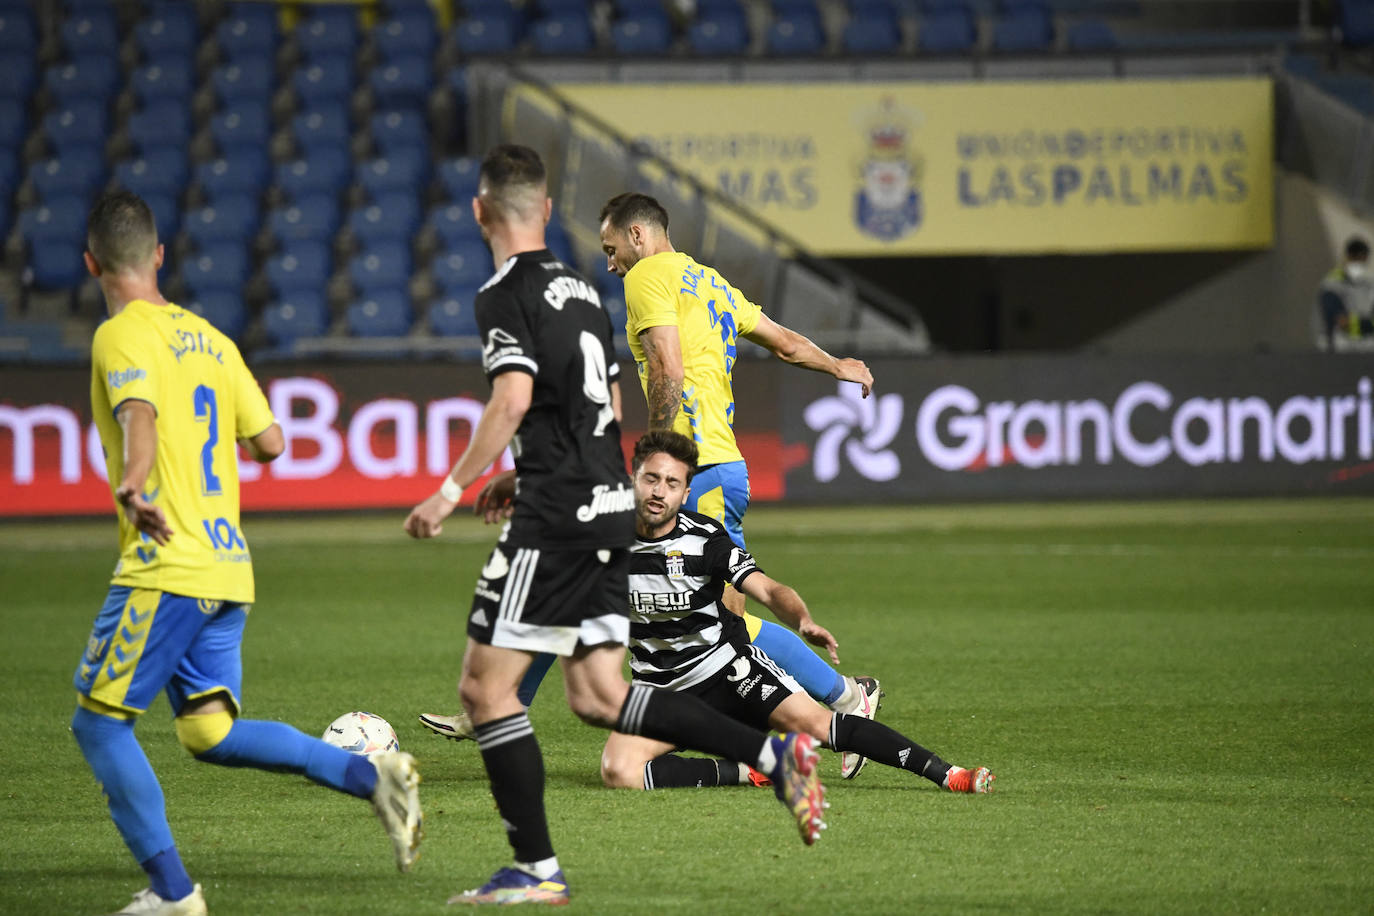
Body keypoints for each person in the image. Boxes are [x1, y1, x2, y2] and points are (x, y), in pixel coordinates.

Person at [402, 145, 827, 907]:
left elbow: (511, 401)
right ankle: (776, 751)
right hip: (604, 509)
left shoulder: (505, 292)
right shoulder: (584, 291)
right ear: (546, 207)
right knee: (599, 695)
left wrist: (448, 489)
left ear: (480, 211)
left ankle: (534, 869)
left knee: (484, 690)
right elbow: (590, 417)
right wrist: (527, 471)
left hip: (557, 522)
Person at [424, 191, 885, 780]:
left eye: (613, 249)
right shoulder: (710, 282)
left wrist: (662, 458)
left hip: (699, 471)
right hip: (713, 468)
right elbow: (786, 343)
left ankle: (845, 697)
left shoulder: (647, 278)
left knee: (722, 627)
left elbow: (665, 364)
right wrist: (838, 364)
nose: (611, 263)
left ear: (638, 237)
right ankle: (502, 703)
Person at [71, 191, 422, 916]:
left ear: (91, 262)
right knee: (210, 732)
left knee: (99, 724)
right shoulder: (211, 338)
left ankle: (173, 895)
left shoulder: (119, 334)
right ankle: (372, 778)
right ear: (159, 255)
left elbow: (139, 413)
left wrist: (136, 484)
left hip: (167, 564)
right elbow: (270, 442)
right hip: (229, 565)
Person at [601, 430, 995, 796]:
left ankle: (948, 774)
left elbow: (768, 588)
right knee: (618, 770)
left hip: (727, 674)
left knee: (819, 727)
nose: (658, 492)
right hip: (659, 691)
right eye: (651, 479)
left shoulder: (703, 539)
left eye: (672, 484)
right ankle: (749, 769)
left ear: (686, 492)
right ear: (633, 477)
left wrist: (803, 620)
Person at [1317, 236, 1374, 351]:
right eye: (1355, 258)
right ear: (1347, 257)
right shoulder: (1332, 285)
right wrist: (1367, 324)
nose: (1359, 263)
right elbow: (1342, 322)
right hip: (1340, 348)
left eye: (1362, 259)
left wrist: (1355, 323)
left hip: (1367, 347)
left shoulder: (1369, 285)